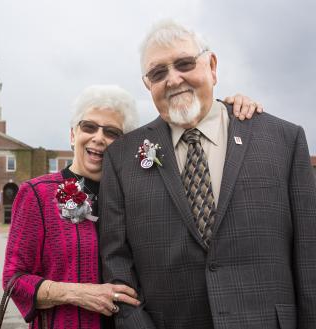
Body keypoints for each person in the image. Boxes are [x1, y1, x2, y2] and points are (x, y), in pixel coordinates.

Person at [99, 20, 316, 329]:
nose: (173, 79)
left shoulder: (283, 139)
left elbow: (309, 256)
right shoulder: (121, 158)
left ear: (212, 66)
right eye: (158, 73)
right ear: (148, 85)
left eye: (185, 63)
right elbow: (116, 261)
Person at [2, 85, 263, 329]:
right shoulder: (36, 194)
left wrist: (226, 111)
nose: (98, 138)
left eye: (111, 132)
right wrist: (78, 293)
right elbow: (13, 281)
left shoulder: (140, 191)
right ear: (73, 134)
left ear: (125, 144)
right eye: (89, 127)